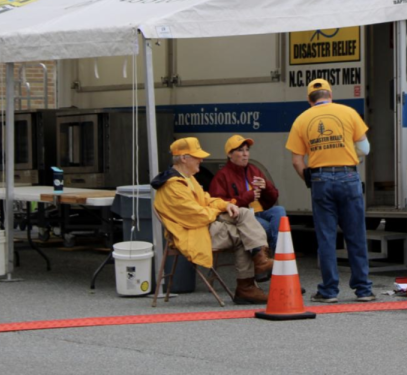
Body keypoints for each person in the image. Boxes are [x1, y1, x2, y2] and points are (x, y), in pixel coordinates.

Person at [151, 137, 275, 305]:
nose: (202, 159)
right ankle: (247, 285)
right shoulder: (173, 185)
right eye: (197, 156)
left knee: (243, 213)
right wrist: (220, 209)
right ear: (183, 158)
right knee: (243, 232)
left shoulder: (187, 178)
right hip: (193, 233)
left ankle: (257, 265)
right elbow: (196, 215)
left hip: (203, 226)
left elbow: (208, 200)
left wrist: (226, 205)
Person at [287, 78, 374, 303]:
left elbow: (297, 161)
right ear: (330, 95)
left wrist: (310, 180)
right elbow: (365, 148)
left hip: (320, 179)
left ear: (309, 100)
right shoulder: (348, 112)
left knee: (326, 237)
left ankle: (329, 291)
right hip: (348, 176)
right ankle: (363, 289)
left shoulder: (301, 120)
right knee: (356, 235)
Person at [209, 134, 287, 251]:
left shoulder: (253, 169)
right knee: (268, 227)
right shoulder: (222, 175)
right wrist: (246, 197)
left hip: (260, 212)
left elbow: (273, 198)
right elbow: (217, 202)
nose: (245, 154)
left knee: (279, 210)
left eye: (247, 150)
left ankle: (276, 258)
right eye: (240, 151)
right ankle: (277, 259)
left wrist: (266, 186)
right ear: (230, 154)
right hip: (244, 217)